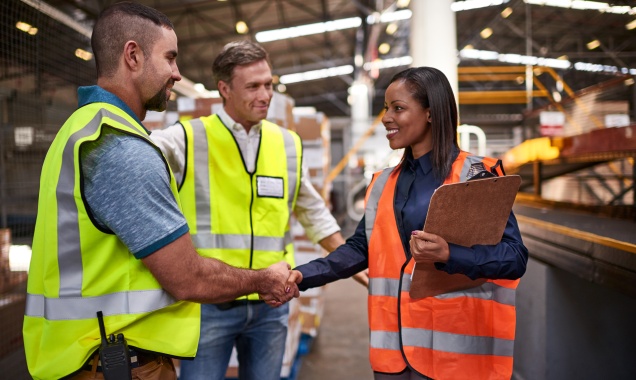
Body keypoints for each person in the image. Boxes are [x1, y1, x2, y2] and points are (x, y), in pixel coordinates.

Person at [22, 4, 297, 380]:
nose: (177, 73)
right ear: (132, 56)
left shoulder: (84, 127)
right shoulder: (120, 148)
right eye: (169, 58)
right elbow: (188, 278)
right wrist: (262, 279)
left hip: (89, 353)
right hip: (117, 361)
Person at [287, 66, 528, 380]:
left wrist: (450, 255)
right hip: (394, 358)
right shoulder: (385, 182)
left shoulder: (475, 176)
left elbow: (514, 258)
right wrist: (302, 275)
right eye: (386, 108)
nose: (386, 117)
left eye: (398, 108)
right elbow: (360, 248)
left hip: (455, 361)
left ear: (430, 113)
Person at [149, 39, 364, 380]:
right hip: (209, 305)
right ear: (224, 89)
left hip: (271, 303)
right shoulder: (186, 139)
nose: (265, 95)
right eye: (253, 86)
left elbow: (313, 212)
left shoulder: (286, 143)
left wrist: (355, 265)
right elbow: (134, 158)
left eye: (269, 85)